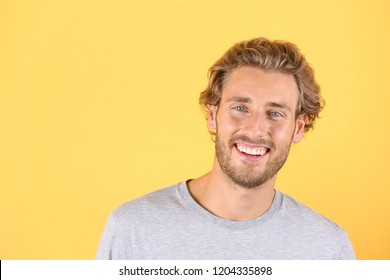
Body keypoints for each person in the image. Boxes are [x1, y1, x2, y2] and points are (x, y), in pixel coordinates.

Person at [96, 37, 355, 259]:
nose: (255, 129)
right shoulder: (132, 230)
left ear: (298, 128)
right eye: (240, 108)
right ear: (213, 115)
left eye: (275, 113)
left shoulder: (327, 248)